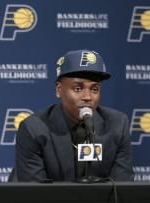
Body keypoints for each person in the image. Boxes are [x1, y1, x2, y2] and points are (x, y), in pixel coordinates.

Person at [13, 49, 134, 182]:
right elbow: (33, 192)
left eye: (94, 89)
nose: (87, 97)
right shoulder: (34, 129)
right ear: (59, 90)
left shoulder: (117, 125)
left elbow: (122, 187)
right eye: (78, 88)